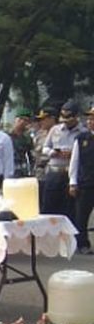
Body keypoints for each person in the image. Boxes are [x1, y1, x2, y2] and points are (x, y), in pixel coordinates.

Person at [41, 100, 82, 220]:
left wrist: (72, 154)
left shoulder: (83, 132)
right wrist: (54, 153)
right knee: (49, 209)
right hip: (54, 171)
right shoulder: (55, 130)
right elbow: (45, 148)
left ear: (76, 116)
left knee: (68, 210)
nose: (65, 120)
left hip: (71, 174)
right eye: (63, 116)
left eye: (68, 117)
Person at [67, 106, 94, 254]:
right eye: (89, 118)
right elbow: (74, 161)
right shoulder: (82, 138)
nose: (90, 121)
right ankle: (82, 244)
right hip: (86, 183)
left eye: (93, 118)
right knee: (81, 216)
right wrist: (73, 182)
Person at [34, 106, 57, 180]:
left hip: (54, 172)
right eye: (40, 119)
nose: (41, 122)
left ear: (52, 119)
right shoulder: (39, 134)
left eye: (44, 119)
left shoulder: (60, 134)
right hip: (39, 173)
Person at [10, 109, 35, 177]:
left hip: (22, 171)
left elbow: (31, 156)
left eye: (26, 121)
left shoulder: (27, 138)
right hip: (8, 170)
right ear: (15, 120)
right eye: (20, 120)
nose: (22, 122)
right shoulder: (6, 137)